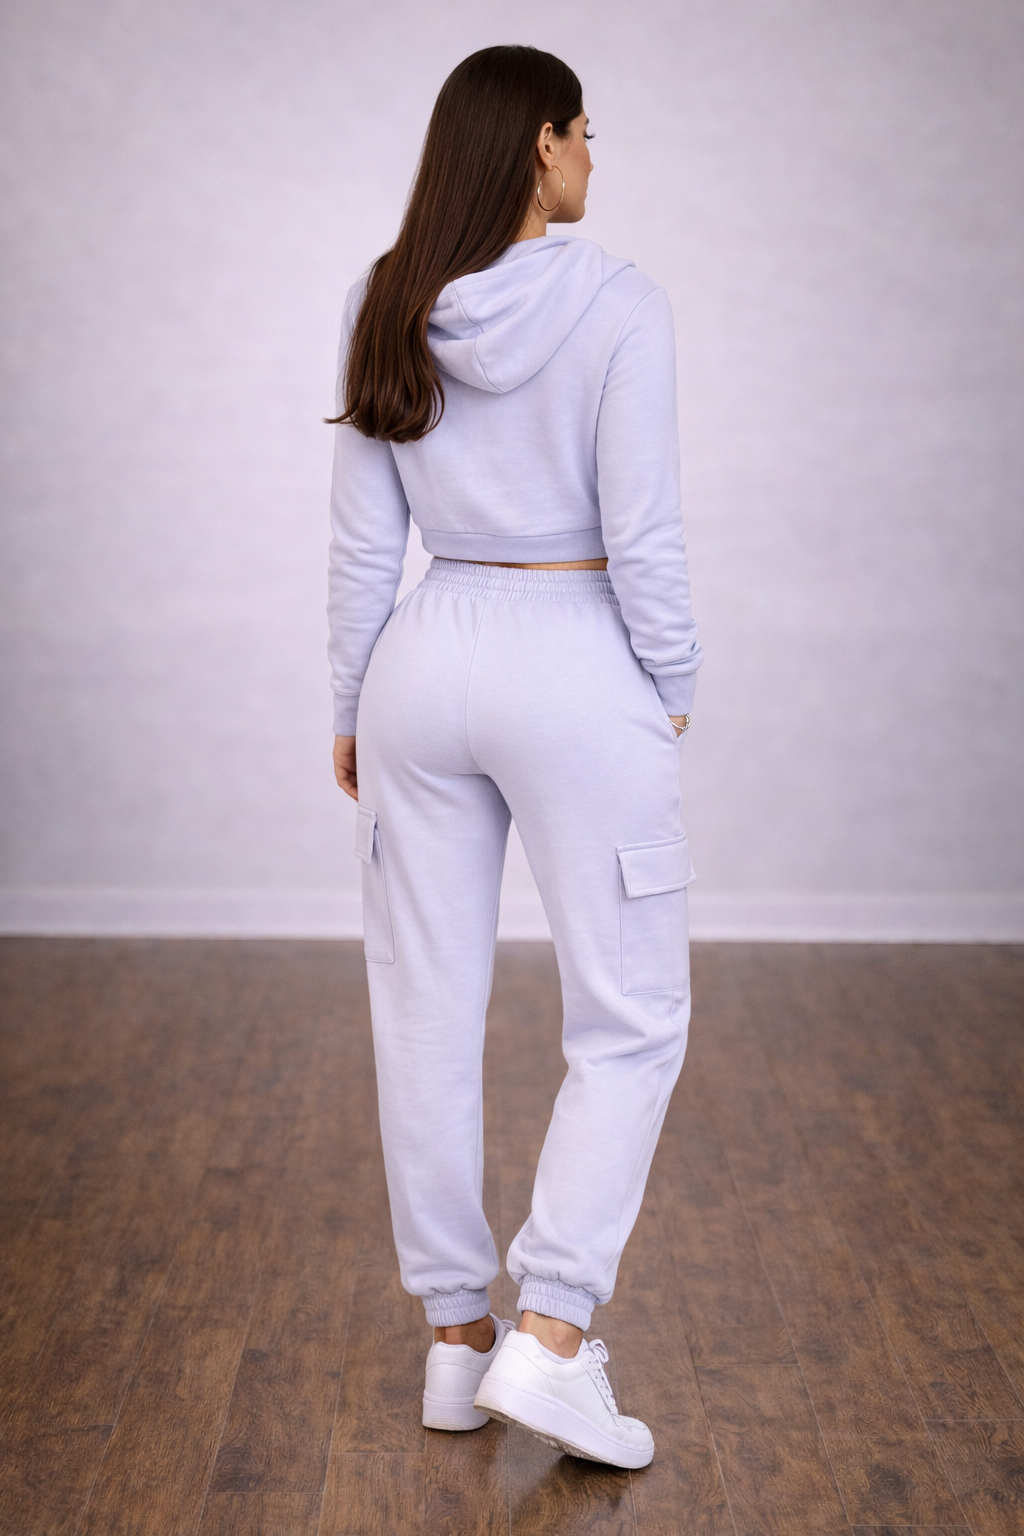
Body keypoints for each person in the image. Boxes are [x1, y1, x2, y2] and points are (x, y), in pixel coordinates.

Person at [327, 45, 702, 1470]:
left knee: (422, 1005)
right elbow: (645, 526)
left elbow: (364, 538)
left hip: (425, 652)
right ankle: (550, 1339)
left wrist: (353, 702)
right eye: (585, 133)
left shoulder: (387, 295)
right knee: (630, 1012)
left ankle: (453, 1343)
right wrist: (670, 681)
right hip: (574, 643)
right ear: (539, 146)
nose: (596, 158)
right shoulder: (620, 304)